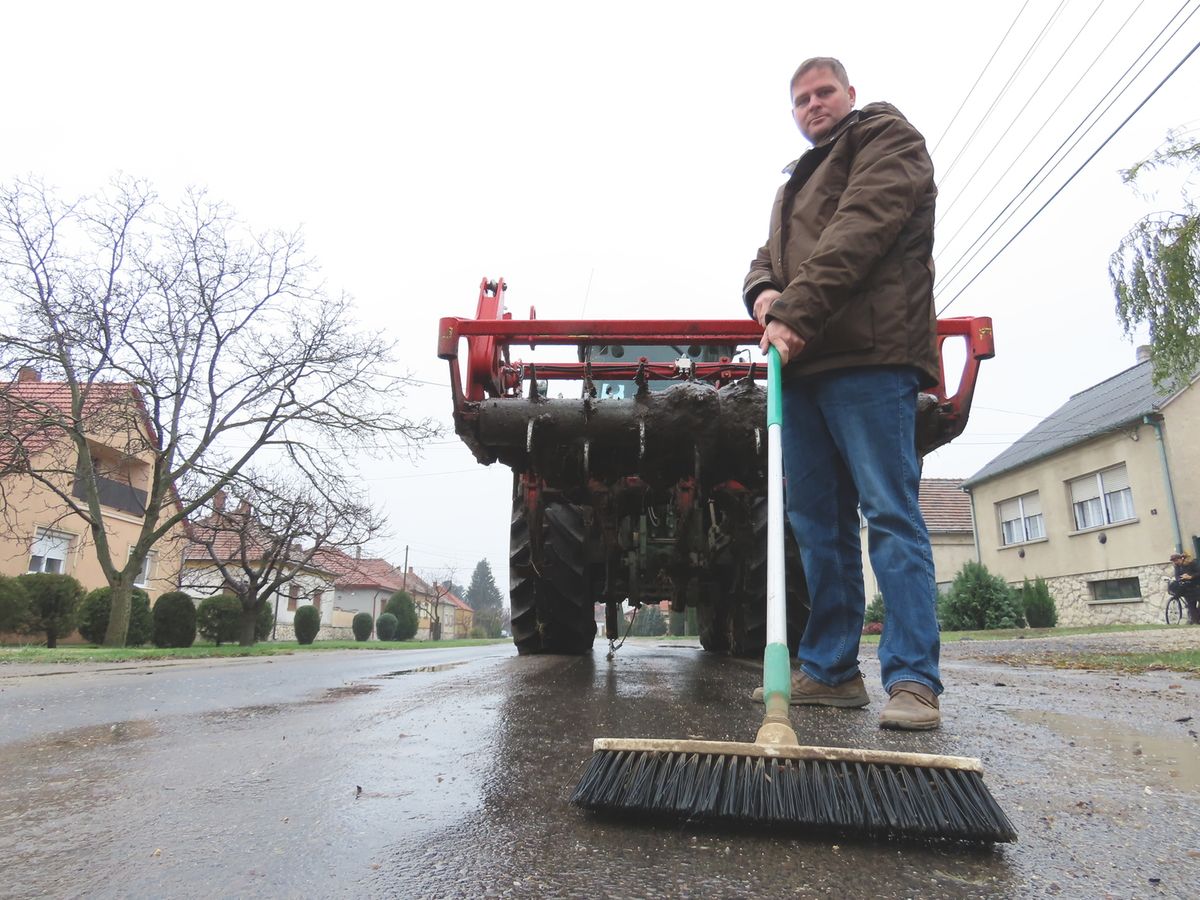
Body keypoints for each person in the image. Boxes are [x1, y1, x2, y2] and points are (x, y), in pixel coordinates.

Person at [745, 57, 942, 730]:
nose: (812, 105)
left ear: (849, 94)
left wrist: (792, 312)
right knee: (816, 527)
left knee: (889, 512)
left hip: (870, 356)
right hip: (799, 370)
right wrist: (762, 292)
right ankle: (829, 671)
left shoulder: (886, 139)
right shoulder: (792, 187)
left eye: (823, 92)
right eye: (800, 99)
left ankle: (914, 680)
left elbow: (859, 231)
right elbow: (764, 260)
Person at [1169, 551, 1200, 624]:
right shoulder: (1177, 567)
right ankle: (1196, 622)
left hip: (1197, 585)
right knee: (1191, 605)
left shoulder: (1191, 563)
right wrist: (1180, 579)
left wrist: (1190, 576)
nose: (1176, 562)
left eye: (1176, 560)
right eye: (1174, 561)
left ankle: (1197, 618)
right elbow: (1177, 576)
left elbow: (1198, 572)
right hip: (1187, 587)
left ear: (1181, 558)